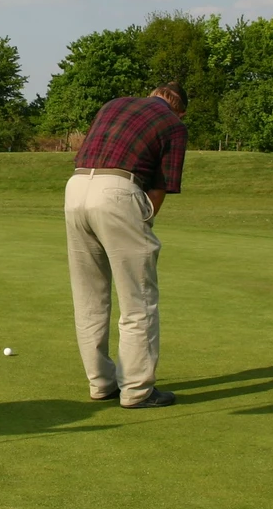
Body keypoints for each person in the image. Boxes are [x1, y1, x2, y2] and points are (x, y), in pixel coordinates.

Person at [64, 83, 189, 408]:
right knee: (139, 300)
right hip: (119, 191)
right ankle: (136, 391)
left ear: (152, 94)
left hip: (76, 188)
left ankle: (102, 383)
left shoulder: (113, 103)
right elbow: (160, 187)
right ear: (180, 110)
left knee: (89, 296)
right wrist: (142, 222)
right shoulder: (174, 125)